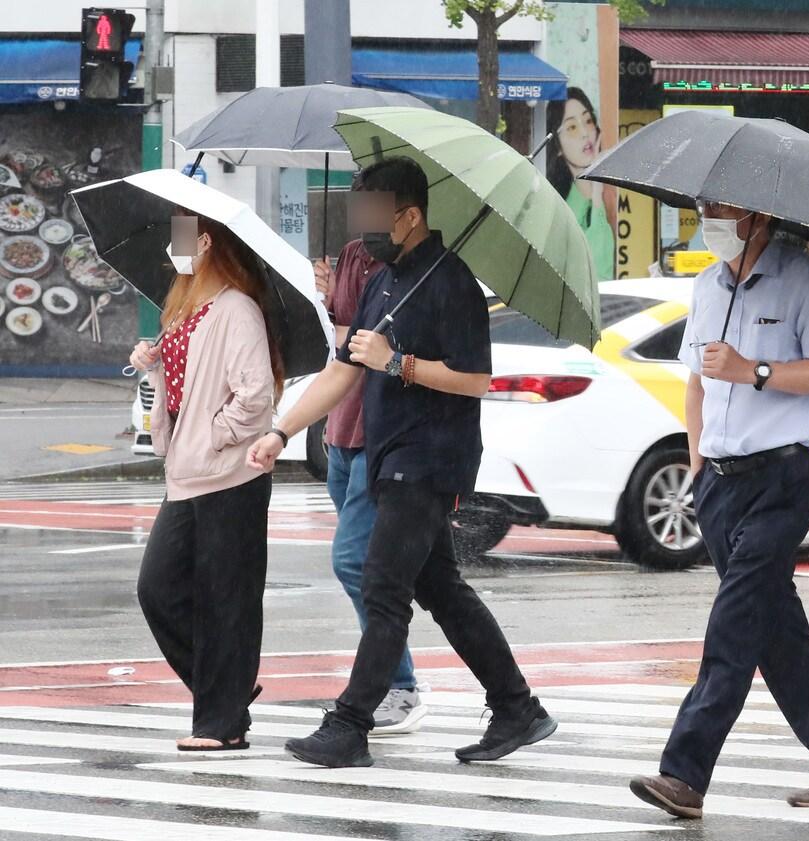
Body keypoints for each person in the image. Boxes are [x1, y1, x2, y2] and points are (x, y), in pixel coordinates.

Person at [247, 156, 555, 768]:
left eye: (374, 214)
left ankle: (350, 724)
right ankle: (518, 706)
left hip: (431, 458)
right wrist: (282, 430)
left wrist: (398, 363)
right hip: (390, 457)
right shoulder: (384, 282)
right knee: (441, 588)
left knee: (385, 587)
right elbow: (342, 371)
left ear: (410, 215)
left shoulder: (451, 284)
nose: (363, 228)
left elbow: (474, 380)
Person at [629, 201, 809, 819]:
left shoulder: (807, 279)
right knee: (775, 632)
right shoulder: (706, 284)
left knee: (735, 624)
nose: (708, 217)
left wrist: (754, 370)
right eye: (702, 207)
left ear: (761, 218)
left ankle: (684, 773)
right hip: (718, 483)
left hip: (781, 478)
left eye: (723, 210)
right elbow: (696, 380)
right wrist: (696, 457)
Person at [129, 214, 282, 751]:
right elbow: (178, 393)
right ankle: (228, 696)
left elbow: (256, 395)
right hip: (185, 474)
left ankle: (221, 721)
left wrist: (216, 436)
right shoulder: (186, 310)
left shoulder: (236, 310)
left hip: (230, 474)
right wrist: (152, 363)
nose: (173, 253)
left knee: (226, 600)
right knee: (158, 589)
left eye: (180, 242)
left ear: (207, 242)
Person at [313, 176, 424, 736]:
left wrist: (391, 358)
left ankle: (396, 684)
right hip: (343, 428)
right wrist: (328, 292)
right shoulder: (356, 254)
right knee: (417, 578)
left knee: (357, 562)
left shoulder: (424, 272)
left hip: (388, 442)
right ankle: (512, 703)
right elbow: (341, 344)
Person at [546, 86, 615, 281]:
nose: (585, 133)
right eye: (572, 127)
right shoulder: (564, 212)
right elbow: (597, 270)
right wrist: (596, 193)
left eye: (588, 121)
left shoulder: (615, 193)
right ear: (558, 147)